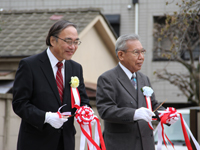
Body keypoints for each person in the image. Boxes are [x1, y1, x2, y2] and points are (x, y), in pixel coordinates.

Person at [12, 20, 90, 150]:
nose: (73, 47)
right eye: (68, 41)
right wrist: (46, 117)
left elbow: (82, 100)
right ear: (53, 41)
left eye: (76, 42)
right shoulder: (30, 65)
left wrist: (86, 111)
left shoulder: (76, 68)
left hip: (66, 142)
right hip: (36, 142)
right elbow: (19, 104)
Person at [96, 34, 178, 150]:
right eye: (136, 52)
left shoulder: (144, 78)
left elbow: (153, 105)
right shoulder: (108, 78)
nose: (141, 57)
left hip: (146, 144)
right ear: (121, 55)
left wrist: (166, 115)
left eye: (142, 52)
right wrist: (133, 114)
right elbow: (106, 110)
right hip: (121, 145)